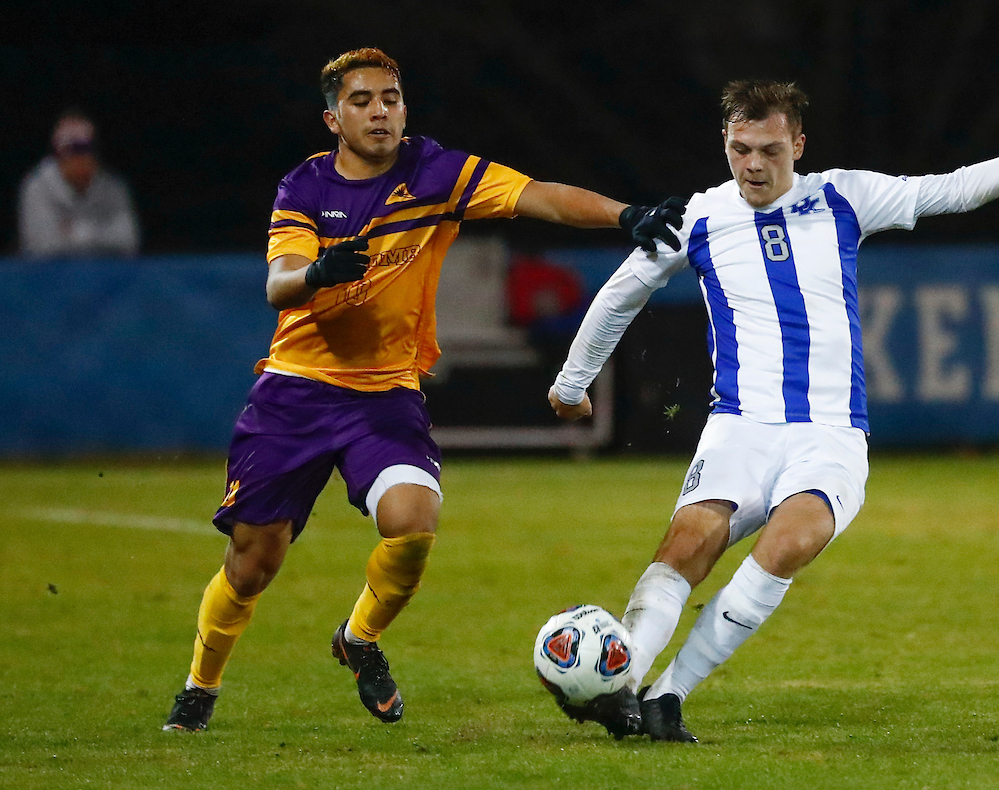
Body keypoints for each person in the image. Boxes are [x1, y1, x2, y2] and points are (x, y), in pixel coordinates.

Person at [549, 80, 999, 742]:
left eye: (770, 149)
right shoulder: (698, 218)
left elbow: (954, 189)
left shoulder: (842, 196)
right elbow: (619, 294)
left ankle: (668, 693)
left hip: (829, 433)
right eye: (740, 148)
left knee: (791, 543)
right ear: (725, 142)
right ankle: (621, 686)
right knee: (685, 547)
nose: (753, 164)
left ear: (797, 145)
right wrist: (572, 384)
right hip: (738, 427)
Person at [162, 47, 684, 732]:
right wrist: (318, 273)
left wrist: (625, 216)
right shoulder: (306, 189)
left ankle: (359, 638)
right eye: (362, 100)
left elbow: (536, 195)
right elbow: (277, 283)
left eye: (391, 97)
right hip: (295, 393)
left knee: (413, 522)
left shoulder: (434, 171)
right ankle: (201, 685)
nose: (380, 111)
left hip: (384, 396)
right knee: (254, 563)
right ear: (332, 118)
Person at [18, 110, 140, 258]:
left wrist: (78, 232)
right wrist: (101, 235)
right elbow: (41, 247)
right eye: (74, 149)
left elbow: (128, 240)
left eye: (86, 148)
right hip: (52, 277)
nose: (81, 157)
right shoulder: (37, 187)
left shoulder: (113, 187)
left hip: (103, 277)